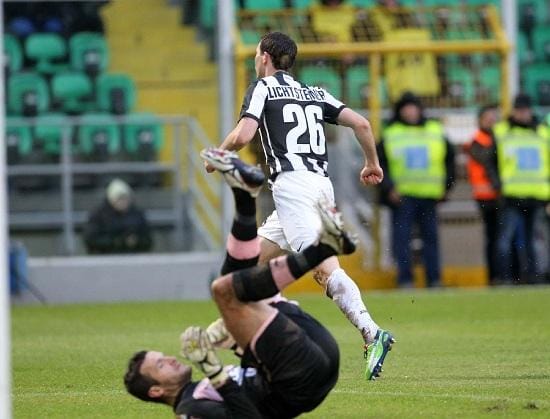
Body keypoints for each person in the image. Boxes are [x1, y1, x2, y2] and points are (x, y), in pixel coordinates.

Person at [123, 150, 394, 417]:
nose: (170, 359)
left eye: (162, 357)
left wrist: (230, 340)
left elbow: (253, 380)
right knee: (225, 290)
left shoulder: (197, 393)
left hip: (313, 351)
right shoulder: (189, 411)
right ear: (156, 391)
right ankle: (315, 246)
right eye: (161, 365)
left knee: (237, 282)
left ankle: (248, 196)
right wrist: (215, 373)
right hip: (301, 378)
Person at [204, 31, 392, 377]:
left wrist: (220, 153)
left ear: (264, 58)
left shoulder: (262, 88)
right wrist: (372, 164)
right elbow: (362, 124)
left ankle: (372, 332)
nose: (255, 59)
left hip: (292, 187)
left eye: (257, 54)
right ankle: (234, 333)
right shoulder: (314, 93)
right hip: (318, 186)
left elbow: (244, 135)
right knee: (244, 271)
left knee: (323, 268)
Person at [377, 91, 455, 288]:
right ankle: (405, 279)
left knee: (431, 240)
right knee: (402, 241)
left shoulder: (436, 130)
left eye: (413, 108)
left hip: (430, 196)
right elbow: (379, 163)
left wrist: (446, 187)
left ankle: (434, 279)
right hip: (402, 197)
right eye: (407, 108)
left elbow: (450, 161)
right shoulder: (391, 133)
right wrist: (389, 189)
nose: (411, 112)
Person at [493, 93, 550, 284]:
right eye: (519, 110)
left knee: (535, 241)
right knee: (505, 241)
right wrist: (497, 184)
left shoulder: (543, 132)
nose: (522, 114)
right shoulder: (502, 131)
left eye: (524, 110)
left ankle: (535, 276)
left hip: (537, 195)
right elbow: (491, 160)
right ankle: (506, 277)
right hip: (511, 195)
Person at [465, 104, 501, 284]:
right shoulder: (478, 140)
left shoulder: (497, 138)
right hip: (487, 197)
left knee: (501, 239)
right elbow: (487, 159)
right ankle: (495, 276)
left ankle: (505, 275)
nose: (492, 121)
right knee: (494, 239)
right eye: (489, 117)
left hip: (500, 196)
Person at [83, 178, 153, 254]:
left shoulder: (137, 214)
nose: (123, 202)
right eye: (119, 198)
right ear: (111, 199)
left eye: (125, 198)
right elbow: (91, 240)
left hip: (133, 257)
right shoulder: (98, 215)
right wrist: (116, 241)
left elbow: (148, 240)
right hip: (105, 258)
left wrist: (136, 241)